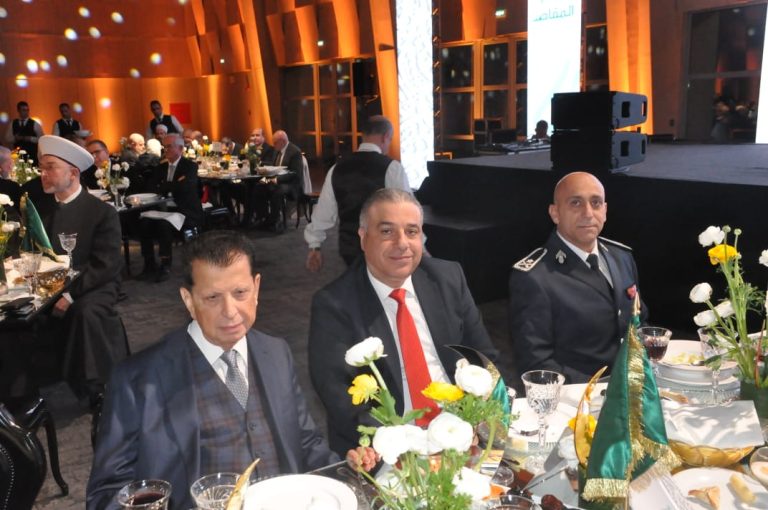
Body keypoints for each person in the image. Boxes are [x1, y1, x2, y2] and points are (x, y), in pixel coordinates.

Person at [87, 230, 340, 510]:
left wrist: (348, 475)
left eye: (240, 293)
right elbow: (106, 495)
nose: (230, 311)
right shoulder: (138, 380)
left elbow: (305, 442)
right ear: (188, 300)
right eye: (212, 297)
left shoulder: (276, 353)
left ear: (256, 288)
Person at [308, 189, 498, 455]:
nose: (402, 243)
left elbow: (484, 359)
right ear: (363, 238)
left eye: (411, 231)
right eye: (387, 232)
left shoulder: (448, 279)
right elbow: (341, 400)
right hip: (390, 446)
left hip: (462, 431)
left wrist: (476, 419)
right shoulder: (334, 305)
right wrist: (406, 449)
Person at [508, 171, 646, 384]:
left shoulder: (622, 257)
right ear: (555, 213)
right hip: (579, 395)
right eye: (576, 203)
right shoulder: (535, 277)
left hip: (633, 386)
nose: (588, 213)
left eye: (596, 203)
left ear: (605, 210)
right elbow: (536, 365)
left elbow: (638, 323)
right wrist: (603, 390)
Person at [37, 135, 127, 402]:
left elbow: (106, 264)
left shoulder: (101, 212)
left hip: (96, 284)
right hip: (52, 284)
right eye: (42, 168)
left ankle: (98, 387)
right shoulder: (41, 211)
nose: (43, 174)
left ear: (73, 173)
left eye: (50, 167)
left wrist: (69, 294)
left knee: (85, 313)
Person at [305, 115, 410, 271]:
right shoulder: (392, 168)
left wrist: (315, 246)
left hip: (349, 248)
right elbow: (407, 212)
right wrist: (420, 245)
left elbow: (324, 213)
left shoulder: (337, 168)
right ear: (385, 136)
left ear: (363, 135)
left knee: (357, 282)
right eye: (390, 139)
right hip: (383, 247)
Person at [139, 133, 203, 282]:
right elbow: (151, 187)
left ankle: (165, 264)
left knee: (164, 225)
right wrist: (172, 185)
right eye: (164, 147)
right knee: (144, 222)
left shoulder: (190, 166)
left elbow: (185, 188)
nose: (165, 150)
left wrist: (165, 186)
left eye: (169, 146)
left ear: (180, 148)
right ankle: (149, 264)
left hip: (185, 210)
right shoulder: (161, 167)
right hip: (163, 209)